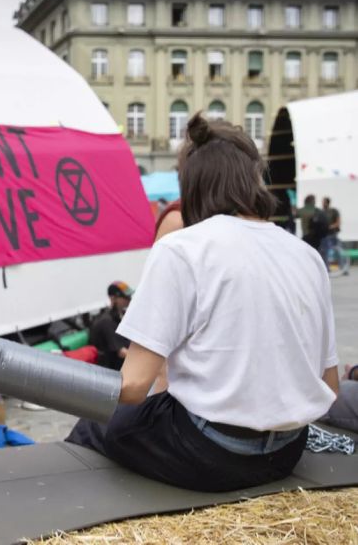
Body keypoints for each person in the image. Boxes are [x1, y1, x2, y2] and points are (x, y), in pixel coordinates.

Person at [66, 113, 339, 493]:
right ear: (253, 179)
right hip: (287, 454)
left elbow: (132, 386)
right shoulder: (307, 255)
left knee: (96, 424)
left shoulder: (182, 249)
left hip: (210, 455)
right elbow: (330, 385)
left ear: (191, 186)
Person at [89, 281, 134, 371]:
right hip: (111, 370)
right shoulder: (106, 321)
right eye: (125, 297)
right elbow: (122, 352)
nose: (129, 299)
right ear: (113, 298)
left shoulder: (122, 315)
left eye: (129, 296)